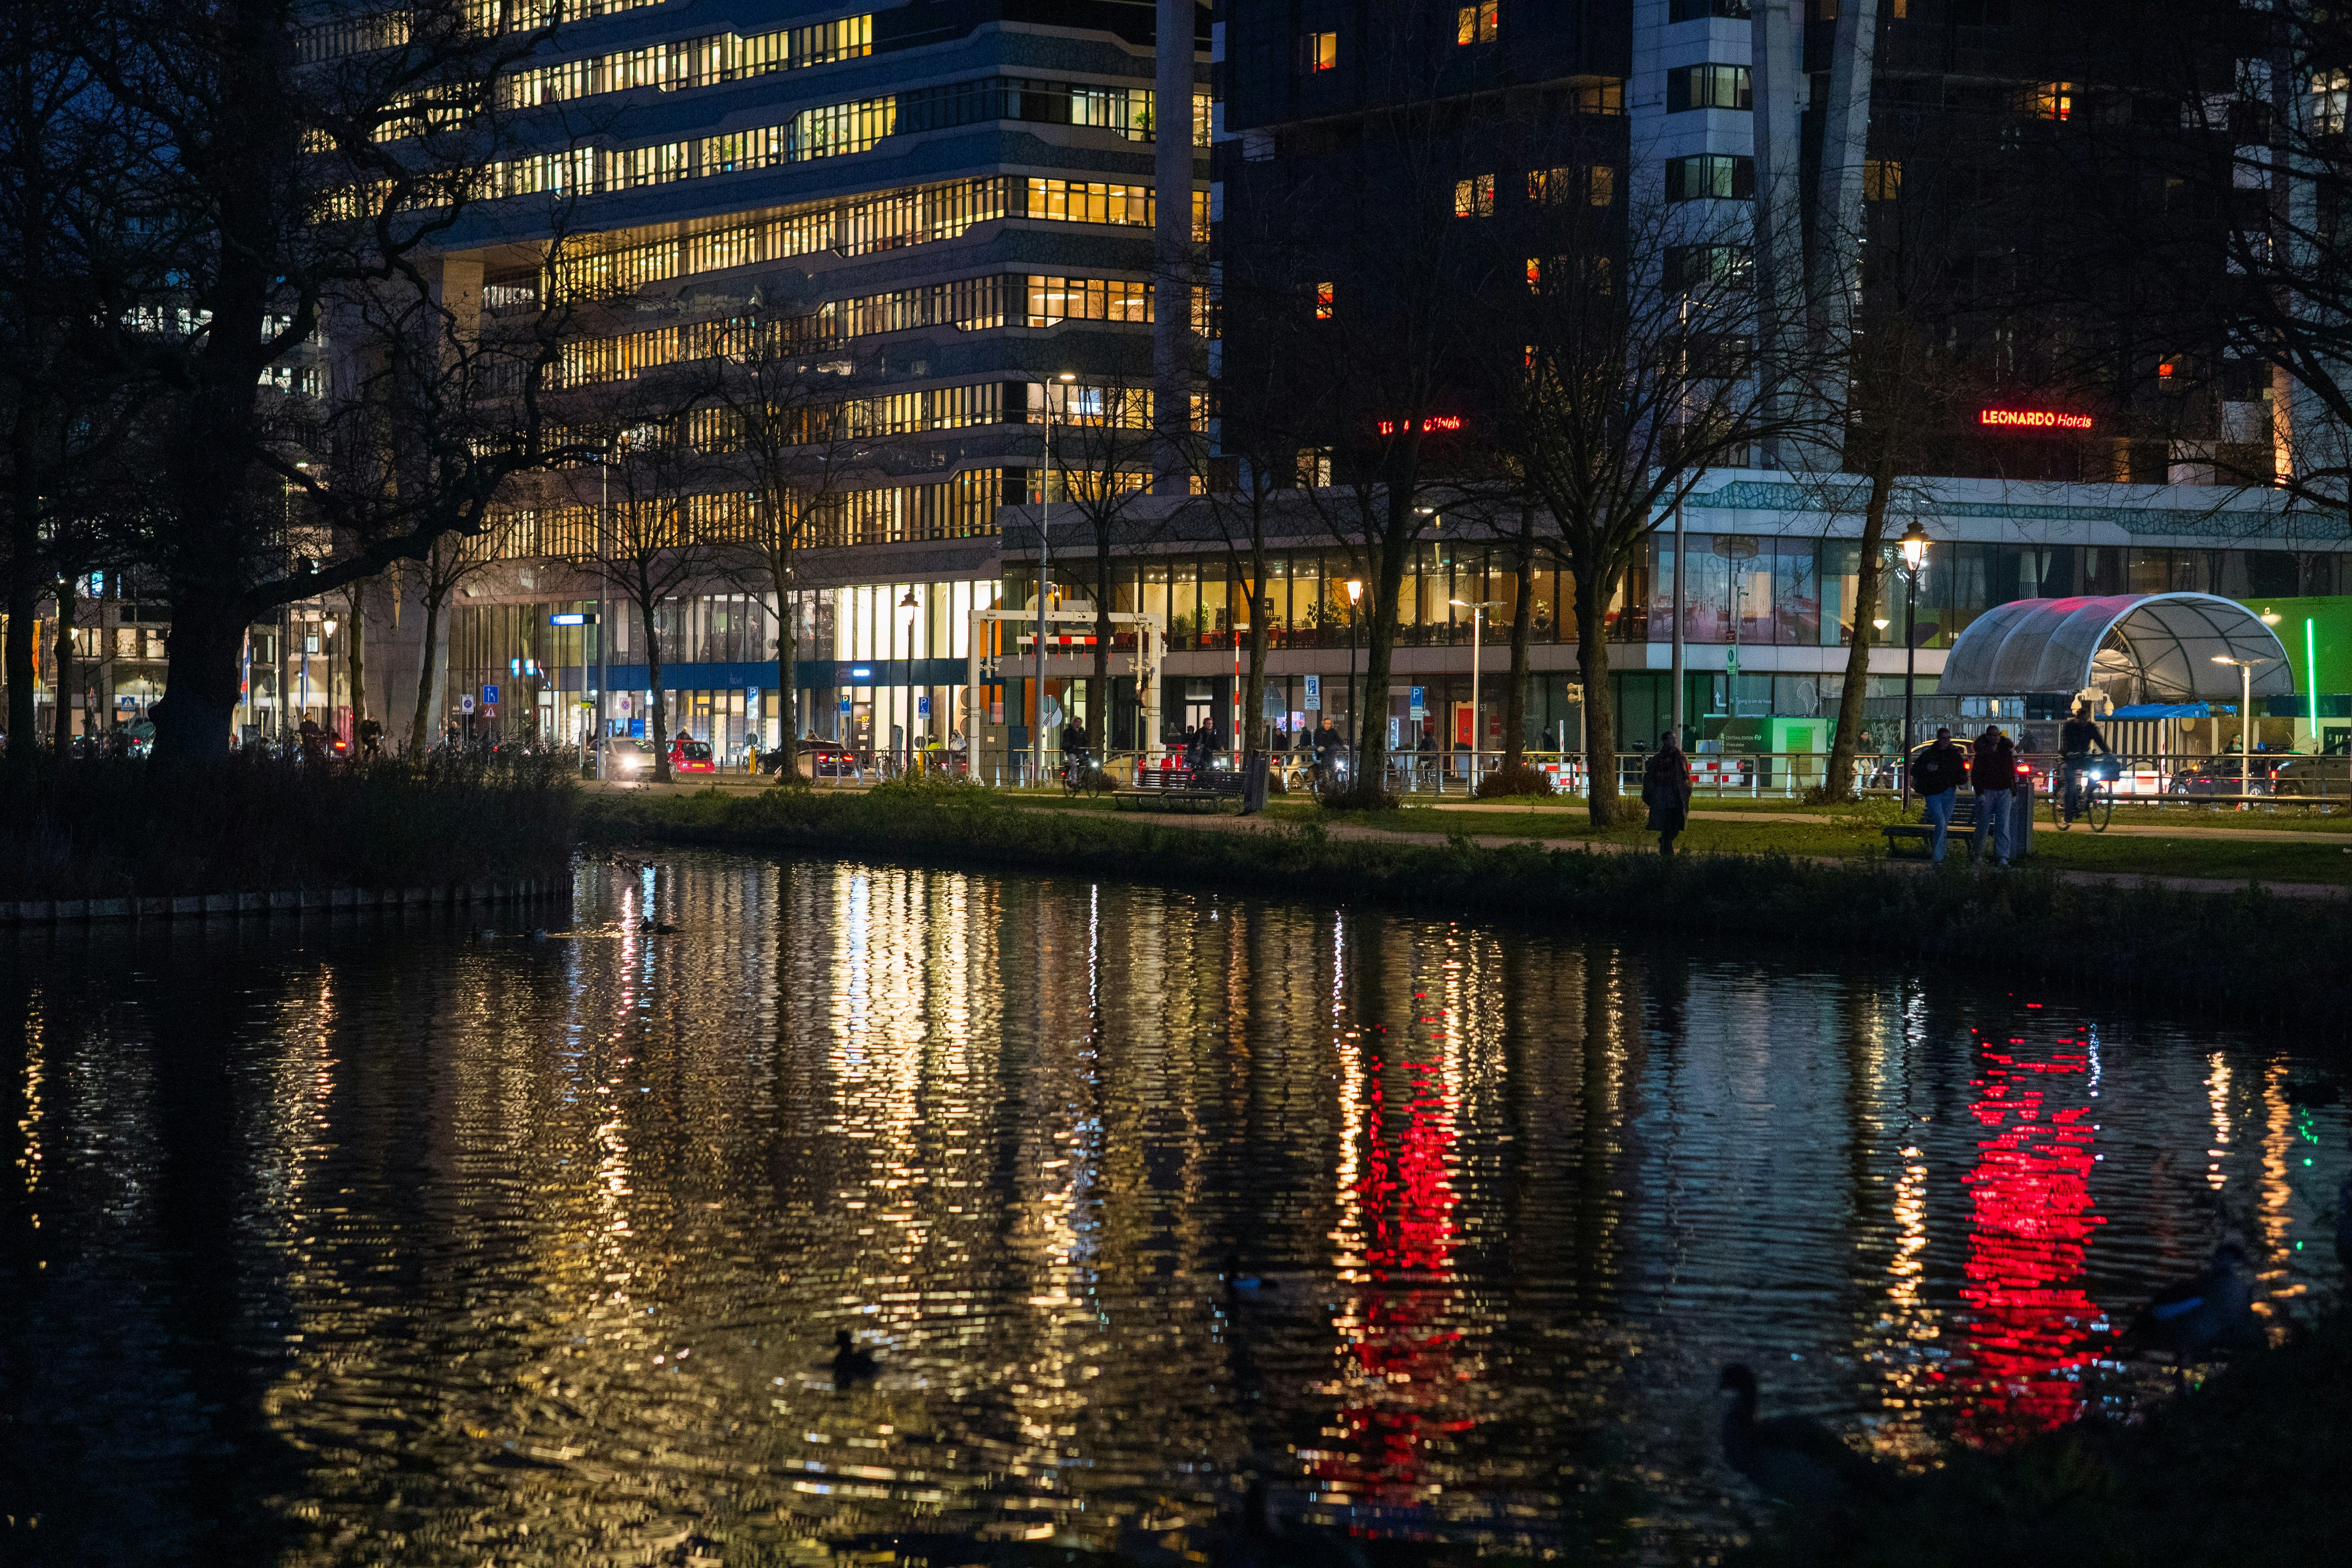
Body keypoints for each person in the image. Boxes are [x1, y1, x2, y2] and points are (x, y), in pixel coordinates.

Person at [1909, 726, 1968, 863]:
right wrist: (1927, 768)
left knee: (1943, 824)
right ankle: (1939, 857)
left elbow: (1961, 772)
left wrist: (1958, 778)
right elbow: (1915, 769)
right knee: (1941, 823)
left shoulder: (1954, 755)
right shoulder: (1929, 754)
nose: (1946, 741)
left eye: (1948, 738)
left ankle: (1940, 855)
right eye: (1943, 738)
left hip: (1949, 791)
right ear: (1939, 739)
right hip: (1932, 792)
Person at [1971, 724, 2018, 866]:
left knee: (2003, 825)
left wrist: (2013, 790)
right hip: (1988, 790)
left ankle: (2003, 856)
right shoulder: (1982, 753)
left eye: (1997, 735)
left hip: (2004, 790)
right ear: (1987, 736)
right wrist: (1980, 793)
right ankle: (1979, 854)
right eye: (1992, 735)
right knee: (1983, 825)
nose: (1995, 738)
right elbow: (1976, 774)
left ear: (2000, 736)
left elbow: (2011, 772)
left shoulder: (2005, 751)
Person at [1641, 729, 1692, 857]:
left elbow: (1684, 773)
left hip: (1668, 794)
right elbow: (1684, 773)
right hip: (1668, 794)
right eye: (1672, 739)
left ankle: (1665, 842)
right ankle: (1666, 846)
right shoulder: (1671, 756)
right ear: (1665, 741)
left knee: (1671, 821)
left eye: (1675, 739)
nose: (1675, 741)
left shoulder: (1671, 756)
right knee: (1671, 821)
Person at [2058, 703, 2110, 820]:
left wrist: (2108, 752)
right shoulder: (2069, 726)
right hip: (2069, 758)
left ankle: (2086, 796)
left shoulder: (2090, 727)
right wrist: (2070, 752)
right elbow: (2066, 740)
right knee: (2070, 787)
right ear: (2077, 718)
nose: (2085, 722)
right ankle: (2067, 815)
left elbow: (2099, 740)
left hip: (2083, 757)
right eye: (2083, 720)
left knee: (2095, 774)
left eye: (2086, 720)